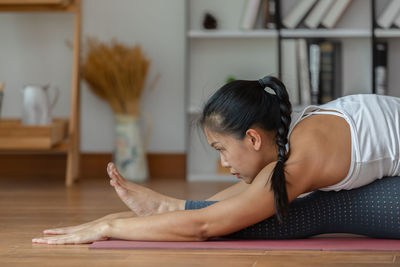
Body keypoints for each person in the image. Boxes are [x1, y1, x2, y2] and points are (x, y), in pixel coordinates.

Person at [32, 76, 400, 245]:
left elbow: (206, 226)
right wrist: (170, 206)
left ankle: (169, 209)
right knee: (265, 206)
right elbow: (253, 192)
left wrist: (109, 226)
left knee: (312, 210)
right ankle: (170, 207)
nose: (223, 162)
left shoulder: (303, 161)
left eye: (221, 148)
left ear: (253, 138)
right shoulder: (296, 138)